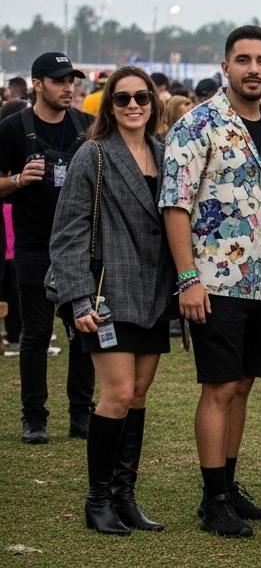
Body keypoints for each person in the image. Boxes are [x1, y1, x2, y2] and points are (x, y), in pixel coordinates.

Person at [160, 25, 261, 538]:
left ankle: (229, 489)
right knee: (218, 388)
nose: (253, 69)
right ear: (225, 66)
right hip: (215, 282)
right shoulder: (198, 124)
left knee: (243, 386)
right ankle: (213, 500)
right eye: (243, 60)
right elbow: (175, 204)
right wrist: (188, 278)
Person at [47, 66, 175, 535]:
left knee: (137, 396)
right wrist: (79, 300)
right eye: (122, 99)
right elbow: (67, 233)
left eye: (142, 97)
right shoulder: (93, 155)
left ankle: (125, 497)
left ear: (153, 101)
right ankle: (97, 499)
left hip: (155, 293)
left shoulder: (165, 154)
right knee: (117, 393)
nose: (134, 105)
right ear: (109, 105)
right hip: (107, 293)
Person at [0, 52, 96, 445]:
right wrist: (20, 180)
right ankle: (33, 417)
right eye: (58, 80)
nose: (68, 87)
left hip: (81, 247)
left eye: (71, 79)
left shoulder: (87, 126)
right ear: (37, 84)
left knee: (83, 332)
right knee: (35, 334)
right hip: (34, 245)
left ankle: (81, 414)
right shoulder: (12, 129)